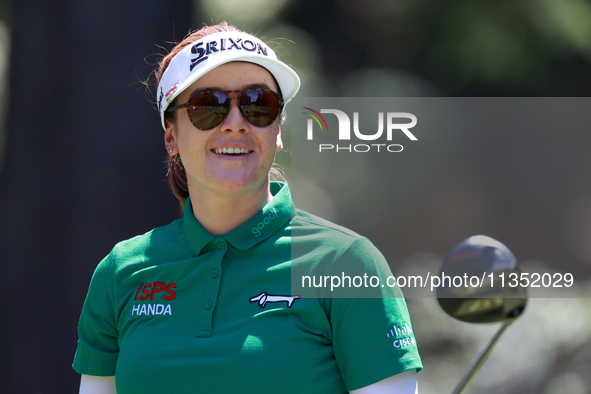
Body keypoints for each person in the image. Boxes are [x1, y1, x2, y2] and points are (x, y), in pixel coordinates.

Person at [73, 22, 423, 394]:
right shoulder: (120, 272)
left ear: (278, 130)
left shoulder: (348, 264)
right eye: (208, 106)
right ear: (171, 136)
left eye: (259, 104)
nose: (236, 123)